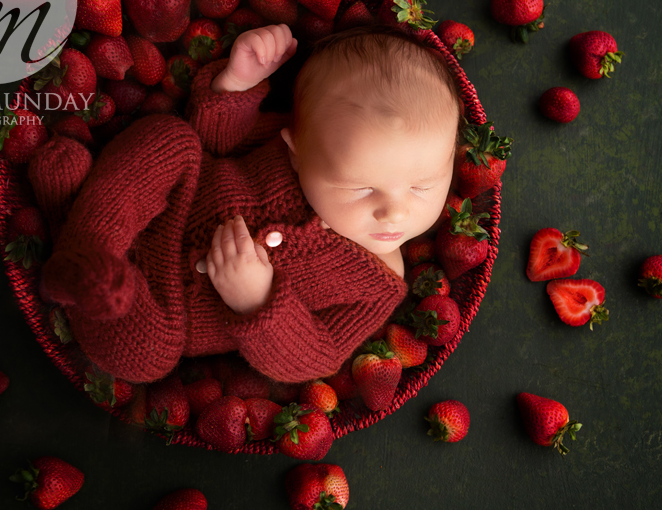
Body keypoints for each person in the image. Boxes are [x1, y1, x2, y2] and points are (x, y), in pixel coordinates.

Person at [33, 23, 465, 384]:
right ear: (297, 151)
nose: (395, 212)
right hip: (161, 207)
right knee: (172, 140)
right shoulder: (295, 146)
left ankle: (75, 244)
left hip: (160, 311)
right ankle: (87, 242)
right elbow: (216, 141)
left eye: (423, 187)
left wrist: (258, 302)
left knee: (148, 356)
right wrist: (236, 84)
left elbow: (316, 358)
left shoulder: (378, 286)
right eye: (360, 188)